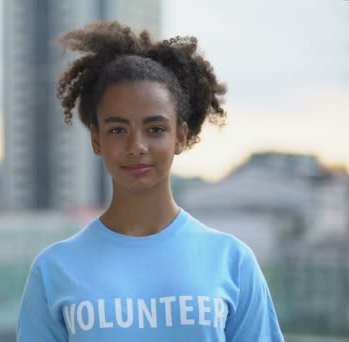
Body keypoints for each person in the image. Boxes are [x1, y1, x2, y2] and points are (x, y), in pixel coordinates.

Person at [16, 21, 284, 341]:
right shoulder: (53, 270)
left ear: (181, 137)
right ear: (96, 139)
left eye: (155, 129)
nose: (137, 146)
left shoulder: (233, 261)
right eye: (118, 129)